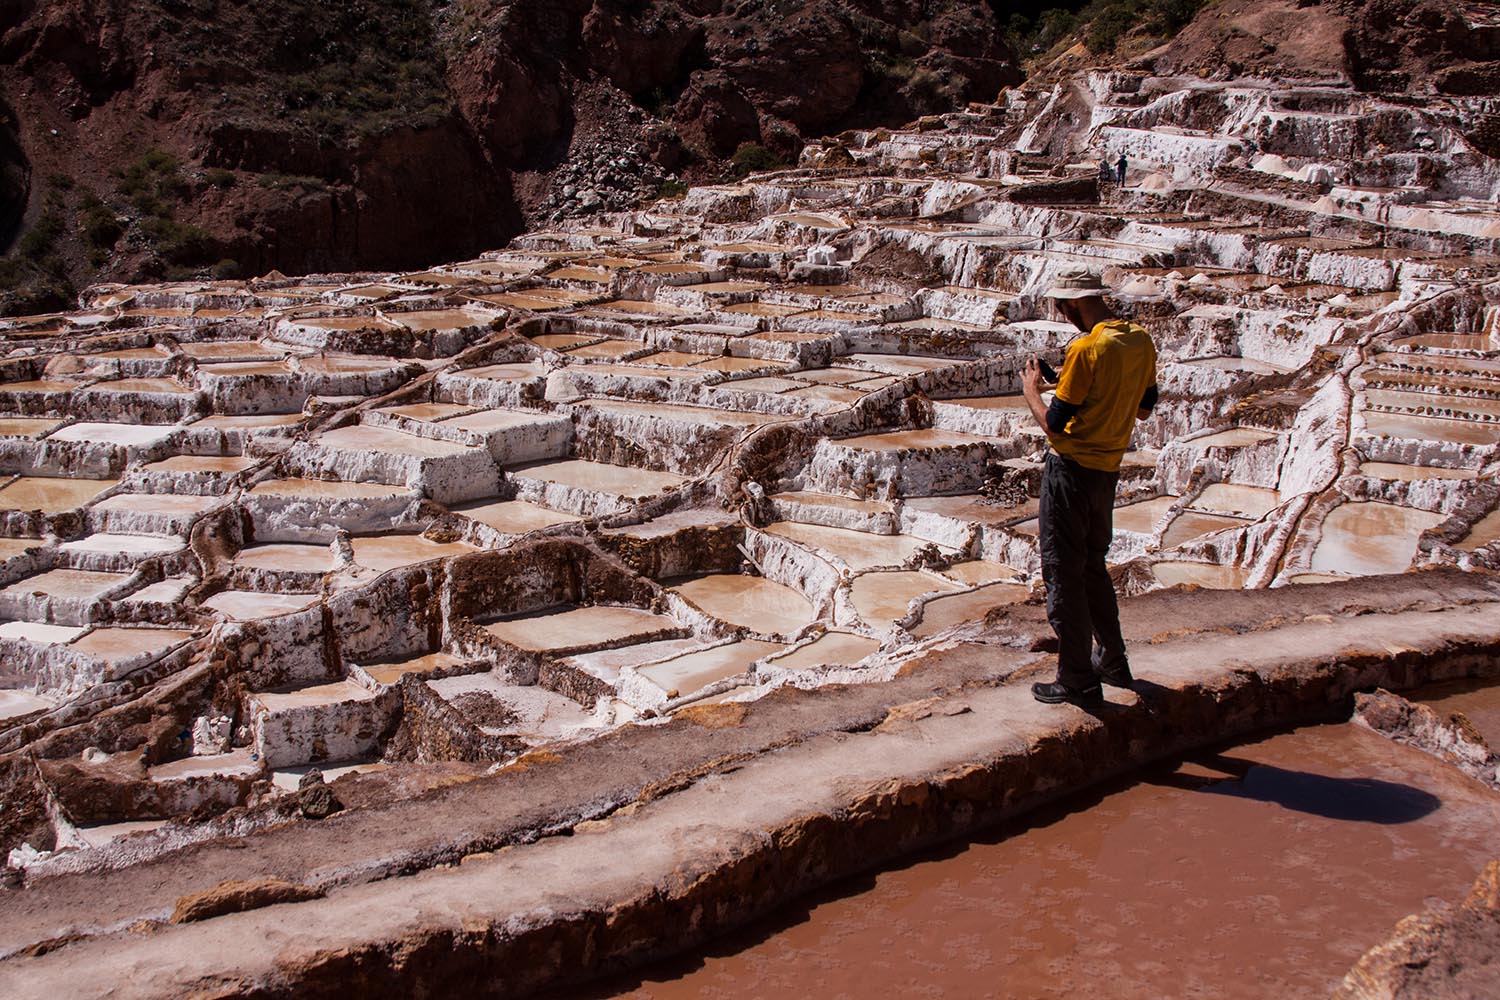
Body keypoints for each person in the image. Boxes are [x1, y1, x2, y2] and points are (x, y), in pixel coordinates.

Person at [1021, 268, 1158, 707]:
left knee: (1062, 572)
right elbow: (1144, 408)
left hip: (1070, 470)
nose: (1065, 317)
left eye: (1064, 309)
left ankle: (1077, 677)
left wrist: (1032, 390)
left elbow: (1053, 423)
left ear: (1074, 304)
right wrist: (1062, 379)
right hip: (1107, 472)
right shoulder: (1138, 340)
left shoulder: (1087, 347)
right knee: (1093, 569)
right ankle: (1114, 661)